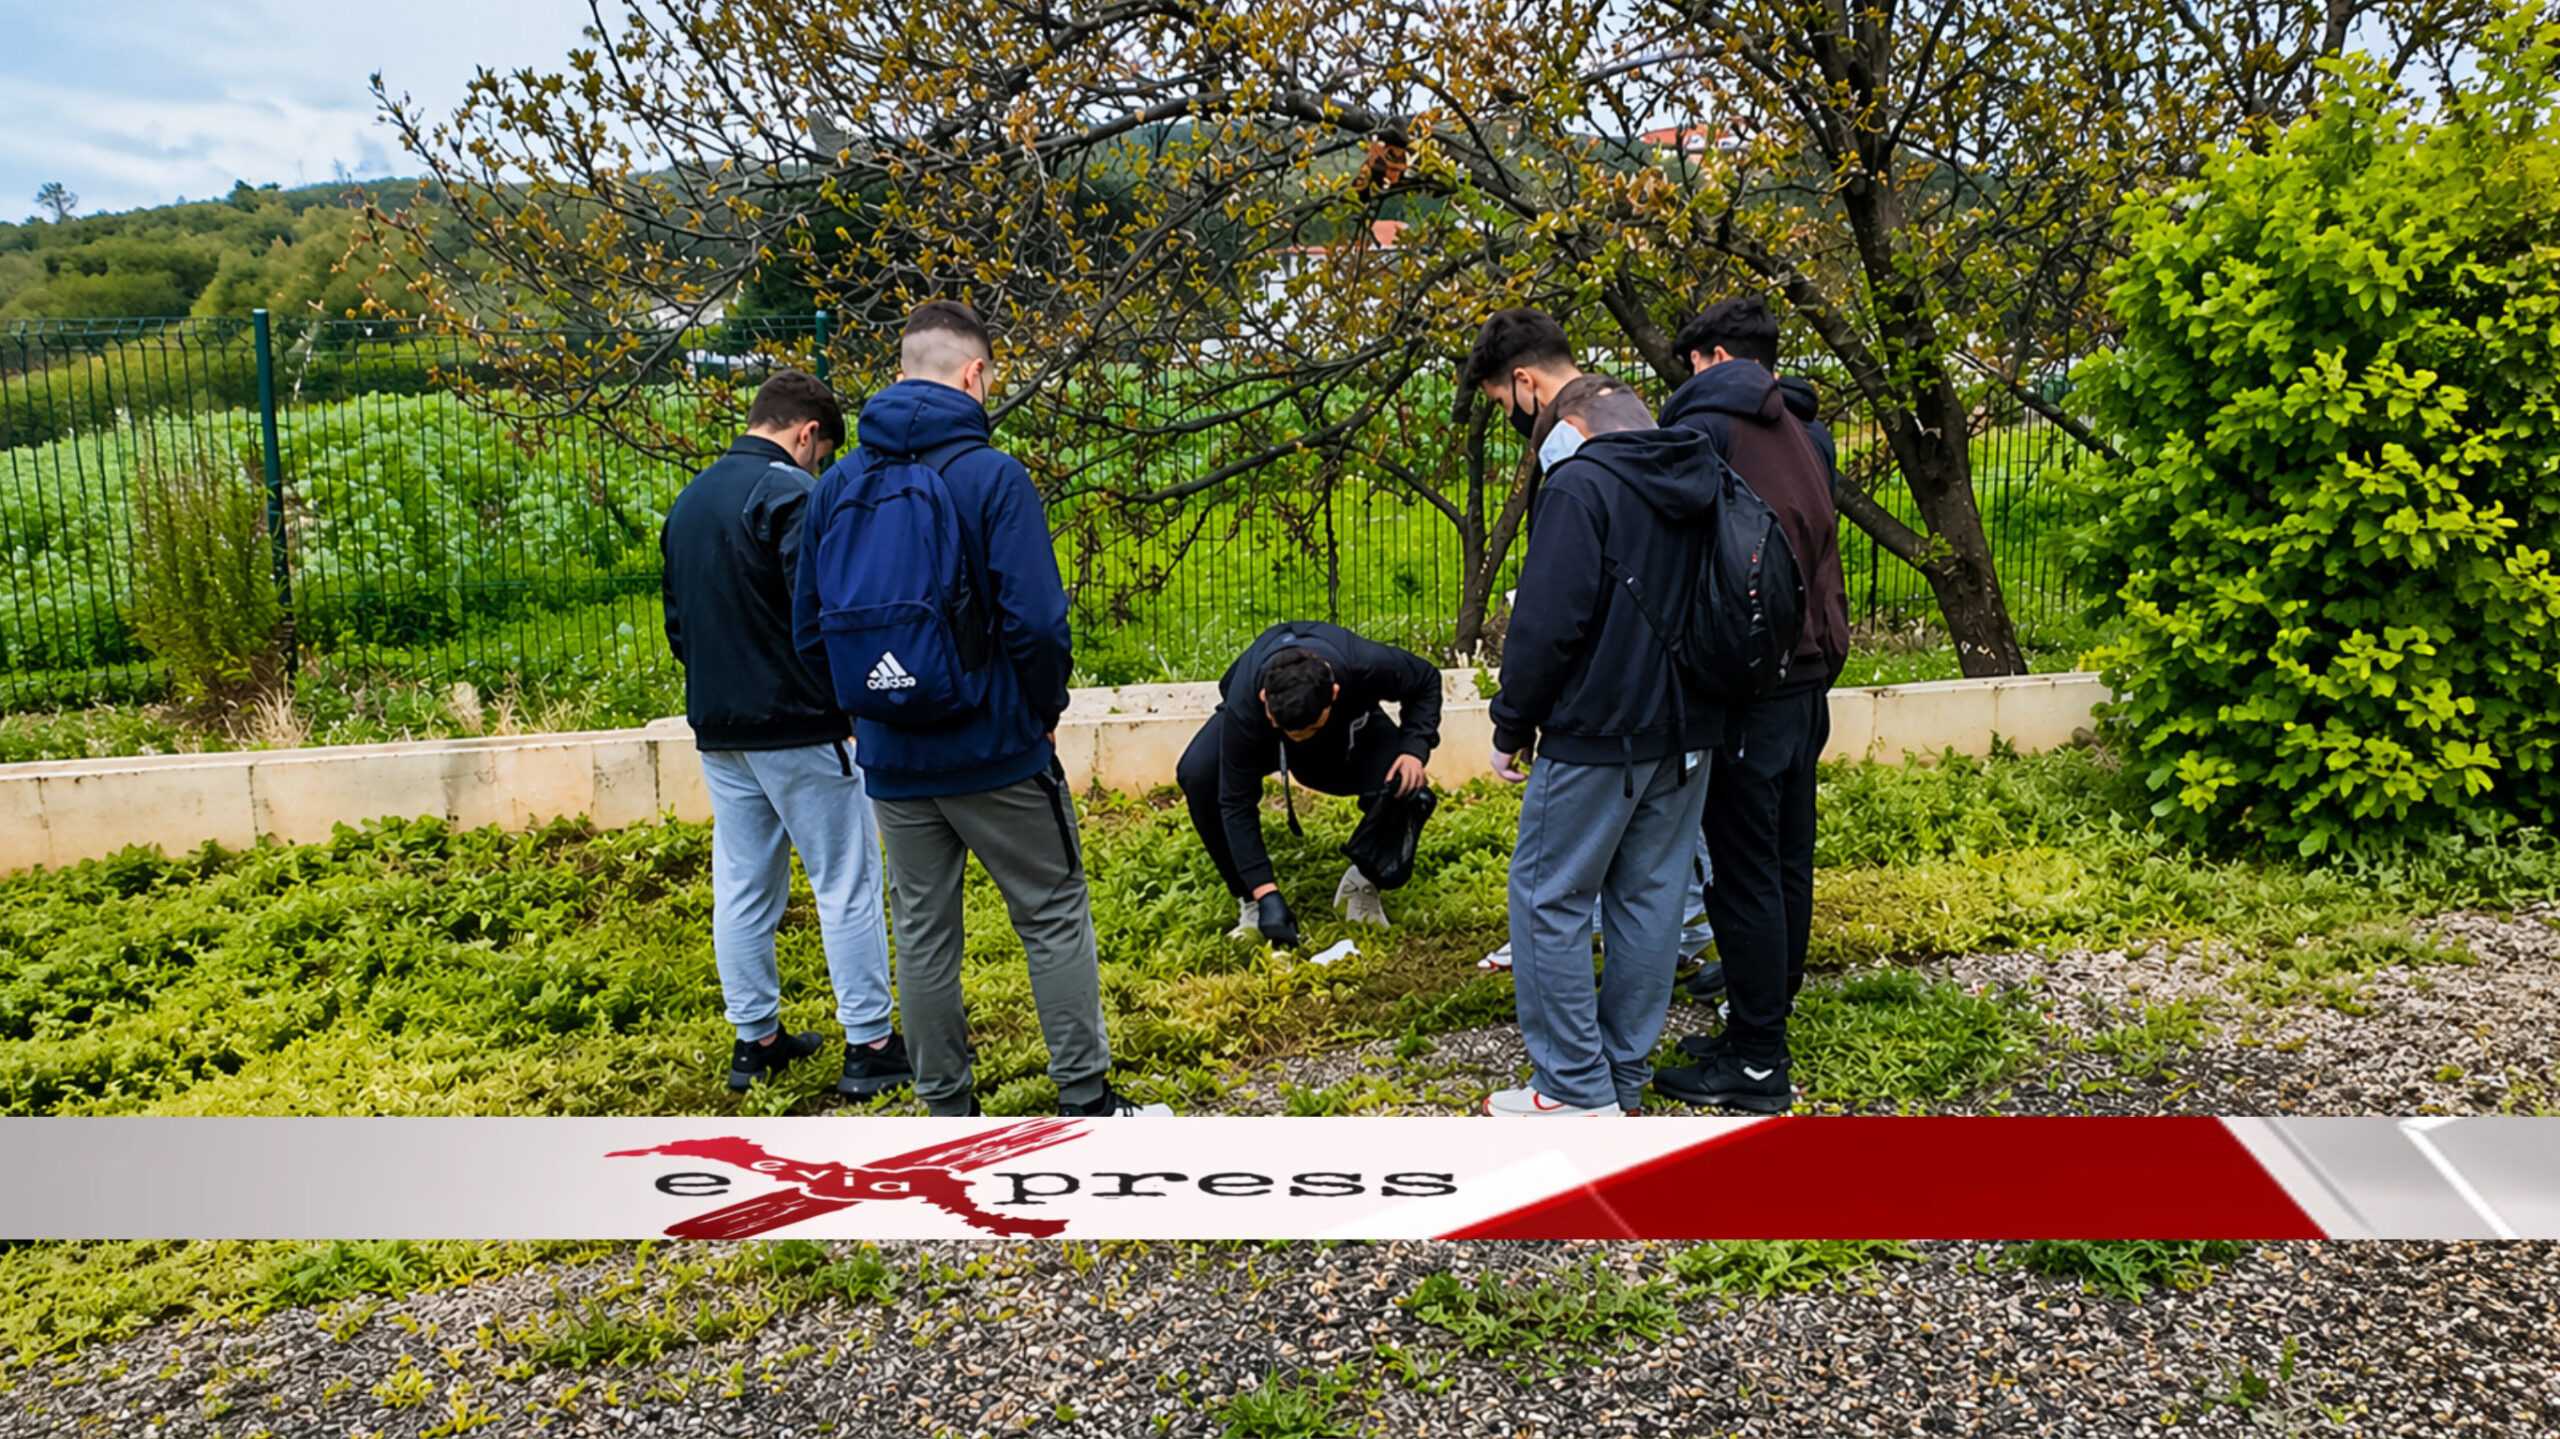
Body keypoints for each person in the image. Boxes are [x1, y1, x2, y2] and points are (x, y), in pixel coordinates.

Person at [792, 300, 1169, 1118]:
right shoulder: (994, 476)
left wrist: (865, 714)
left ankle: (946, 1109)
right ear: (974, 374)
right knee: (1052, 911)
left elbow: (809, 630)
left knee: (923, 933)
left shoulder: (837, 484)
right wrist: (1041, 709)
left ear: (901, 372)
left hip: (894, 761)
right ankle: (1084, 1097)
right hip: (998, 747)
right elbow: (1038, 622)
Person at [659, 370, 911, 1099]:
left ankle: (756, 1039)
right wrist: (849, 702)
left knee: (742, 885)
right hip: (801, 724)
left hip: (720, 727)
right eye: (821, 454)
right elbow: (823, 613)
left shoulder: (690, 499)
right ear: (808, 433)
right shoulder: (793, 494)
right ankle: (870, 1043)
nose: (819, 467)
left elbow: (677, 625)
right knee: (846, 881)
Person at [1478, 374, 1724, 1117]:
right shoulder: (1701, 475)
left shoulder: (1581, 486)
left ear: (1574, 427)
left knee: (1547, 897)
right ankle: (1620, 1078)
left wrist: (1511, 724)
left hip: (1596, 732)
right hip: (1688, 730)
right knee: (1651, 900)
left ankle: (1573, 1086)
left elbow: (1547, 624)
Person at [1649, 297, 1850, 1115]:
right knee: (1787, 854)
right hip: (1811, 670)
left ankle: (1760, 1060)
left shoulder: (1709, 427)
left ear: (1715, 357)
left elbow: (1680, 544)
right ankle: (1762, 1013)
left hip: (1749, 680)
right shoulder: (1808, 429)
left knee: (1742, 872)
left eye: (1693, 364)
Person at [1176, 622, 1442, 942]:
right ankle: (1252, 903)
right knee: (1198, 773)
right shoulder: (1245, 704)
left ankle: (1363, 880)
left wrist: (1414, 748)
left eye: (1309, 728)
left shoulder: (1366, 664)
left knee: (1409, 785)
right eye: (1289, 729)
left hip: (1345, 737)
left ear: (1334, 693)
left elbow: (1427, 679)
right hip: (1264, 737)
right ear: (1264, 698)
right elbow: (1235, 801)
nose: (1299, 737)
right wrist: (1264, 892)